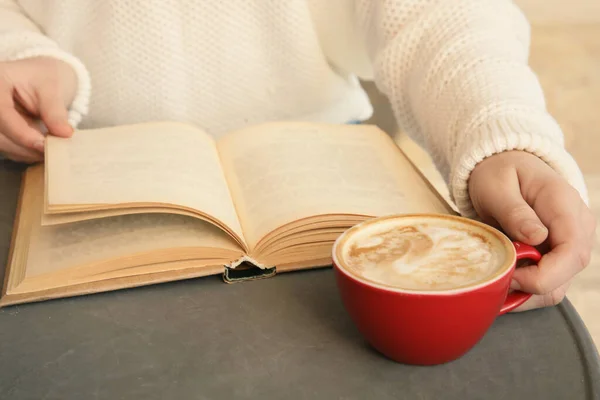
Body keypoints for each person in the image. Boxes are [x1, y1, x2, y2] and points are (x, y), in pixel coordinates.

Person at [0, 1, 595, 311]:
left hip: (323, 169)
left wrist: (499, 132)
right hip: (63, 167)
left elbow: (436, 10)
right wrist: (17, 52)